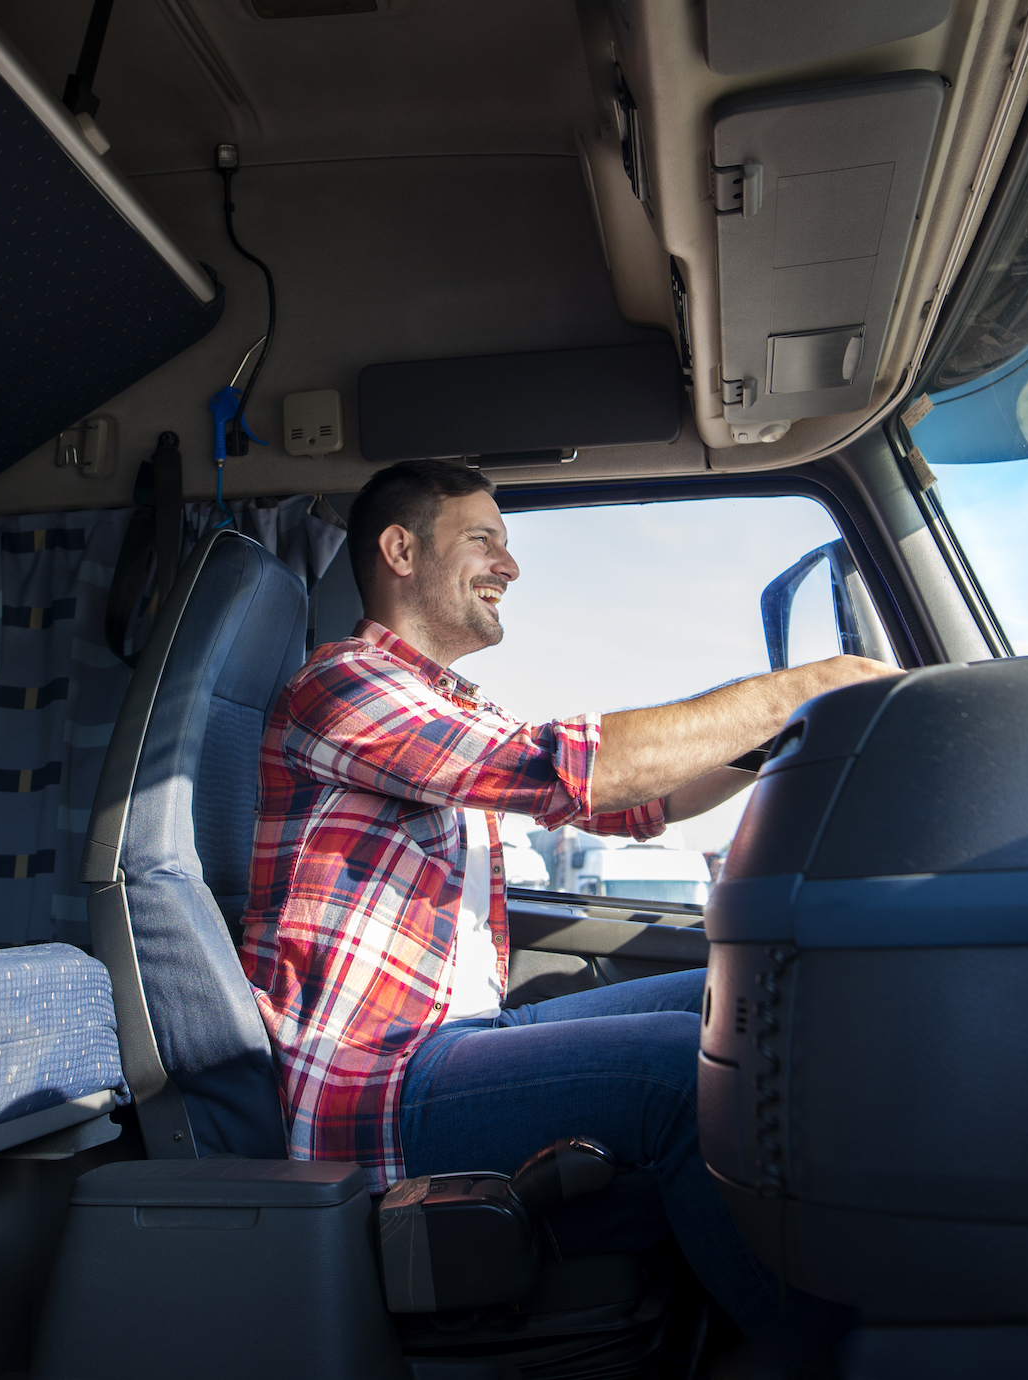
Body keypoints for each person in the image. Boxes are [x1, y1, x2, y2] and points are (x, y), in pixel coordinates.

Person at [238, 458, 899, 1346]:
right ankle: (834, 1357)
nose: (510, 566)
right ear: (400, 550)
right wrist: (796, 687)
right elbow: (563, 768)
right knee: (679, 1071)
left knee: (733, 997)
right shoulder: (344, 684)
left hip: (450, 1038)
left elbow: (637, 803)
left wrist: (774, 736)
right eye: (483, 540)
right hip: (372, 1079)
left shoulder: (436, 706)